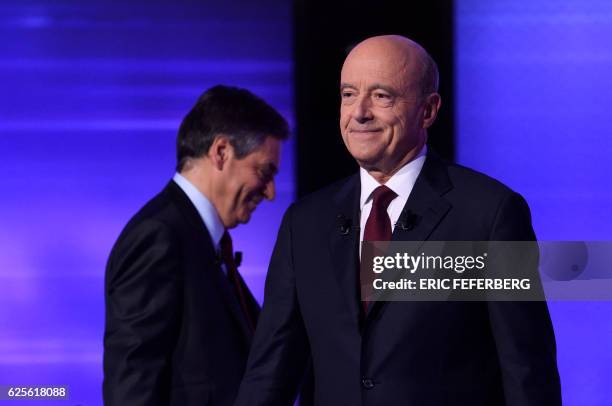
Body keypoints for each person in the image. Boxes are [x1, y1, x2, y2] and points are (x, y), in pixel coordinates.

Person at [234, 36, 561, 405]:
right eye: (348, 94)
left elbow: (528, 371)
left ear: (428, 110)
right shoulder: (304, 223)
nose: (359, 112)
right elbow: (270, 372)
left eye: (381, 96)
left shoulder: (492, 213)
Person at [103, 85, 289, 405]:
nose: (271, 192)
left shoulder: (200, 240)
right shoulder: (158, 237)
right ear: (221, 152)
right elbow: (132, 386)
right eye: (264, 171)